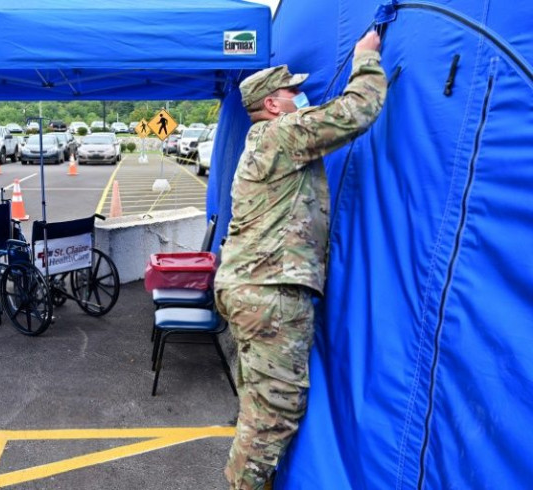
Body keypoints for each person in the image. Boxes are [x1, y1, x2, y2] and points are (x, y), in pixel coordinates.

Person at [214, 31, 387, 490]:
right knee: (274, 414)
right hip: (270, 292)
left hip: (250, 288)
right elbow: (355, 112)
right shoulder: (282, 134)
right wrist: (366, 60)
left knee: (259, 405)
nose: (301, 97)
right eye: (293, 91)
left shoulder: (262, 143)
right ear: (273, 103)